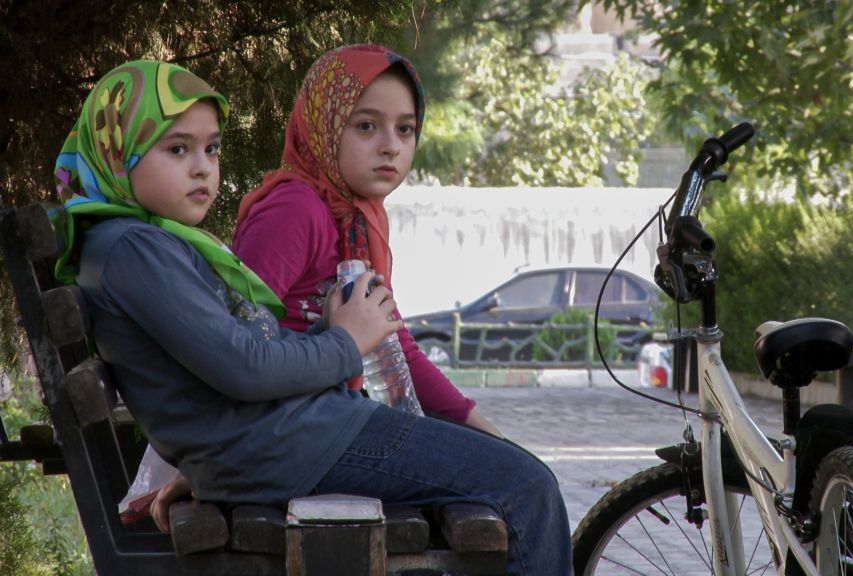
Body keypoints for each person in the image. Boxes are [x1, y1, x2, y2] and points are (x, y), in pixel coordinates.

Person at [54, 60, 572, 574]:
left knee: (513, 475)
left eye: (211, 148)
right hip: (297, 443)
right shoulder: (135, 251)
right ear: (116, 151)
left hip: (290, 439)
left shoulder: (142, 243)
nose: (202, 166)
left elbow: (236, 354)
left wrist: (333, 333)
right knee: (527, 487)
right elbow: (245, 366)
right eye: (176, 148)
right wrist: (346, 341)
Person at [232, 44, 501, 435]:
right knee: (509, 480)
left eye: (405, 129)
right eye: (366, 126)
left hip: (333, 417)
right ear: (325, 125)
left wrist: (486, 431)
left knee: (505, 468)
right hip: (284, 433)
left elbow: (393, 342)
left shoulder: (362, 219)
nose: (391, 145)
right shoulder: (295, 209)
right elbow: (233, 341)